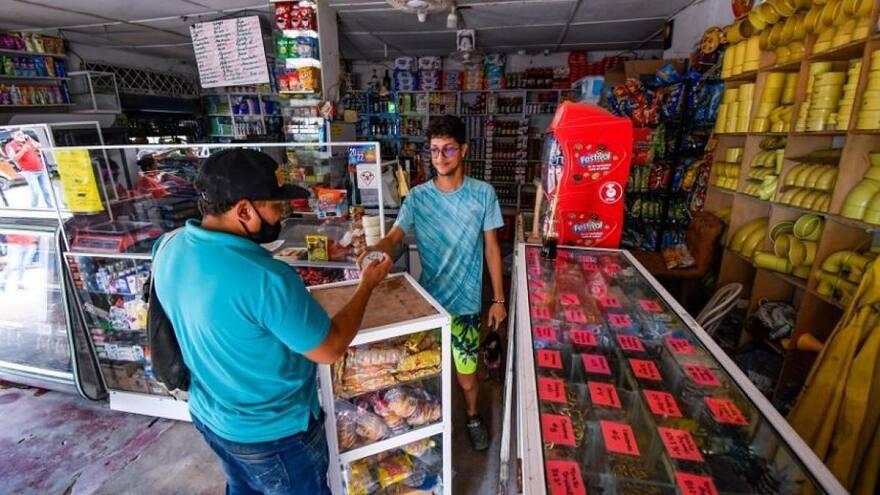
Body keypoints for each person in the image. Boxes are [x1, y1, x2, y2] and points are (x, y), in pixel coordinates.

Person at [152, 148, 392, 495]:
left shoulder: (168, 247)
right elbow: (331, 348)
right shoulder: (267, 278)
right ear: (244, 210)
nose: (283, 211)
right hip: (274, 436)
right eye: (275, 205)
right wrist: (367, 285)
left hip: (210, 418)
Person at [361, 115, 506, 451]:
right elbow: (395, 236)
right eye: (435, 151)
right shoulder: (417, 198)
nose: (440, 158)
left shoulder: (483, 194)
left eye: (448, 150)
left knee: (467, 377)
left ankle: (472, 416)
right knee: (426, 375)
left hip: (467, 308)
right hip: (430, 306)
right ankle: (431, 427)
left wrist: (498, 300)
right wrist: (377, 250)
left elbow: (492, 248)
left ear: (464, 150)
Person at [3, 130, 53, 208]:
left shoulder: (28, 141)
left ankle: (51, 207)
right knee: (35, 191)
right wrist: (23, 150)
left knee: (46, 190)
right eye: (18, 134)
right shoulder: (10, 145)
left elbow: (40, 146)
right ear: (13, 136)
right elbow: (13, 158)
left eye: (22, 134)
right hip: (29, 172)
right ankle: (34, 208)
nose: (21, 135)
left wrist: (30, 139)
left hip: (40, 168)